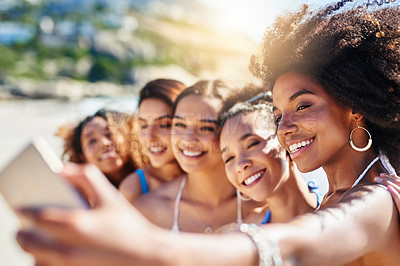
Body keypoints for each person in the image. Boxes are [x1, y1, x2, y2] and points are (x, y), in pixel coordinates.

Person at [16, 2, 400, 265]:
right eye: (279, 113)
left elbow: (297, 246)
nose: (285, 126)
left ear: (354, 106)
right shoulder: (341, 194)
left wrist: (153, 248)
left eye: (302, 106)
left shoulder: (376, 200)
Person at [134, 80, 267, 233]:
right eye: (180, 125)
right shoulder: (149, 210)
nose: (188, 140)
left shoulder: (263, 206)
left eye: (205, 128)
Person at [219, 89, 321, 224]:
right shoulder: (246, 232)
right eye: (229, 158)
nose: (240, 164)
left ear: (285, 139)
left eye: (253, 144)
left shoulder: (342, 208)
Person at [119, 79, 186, 204]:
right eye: (143, 126)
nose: (150, 138)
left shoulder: (209, 176)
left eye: (164, 125)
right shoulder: (134, 188)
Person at [56, 109, 144, 188]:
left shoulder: (152, 177)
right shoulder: (83, 198)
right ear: (82, 156)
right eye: (92, 141)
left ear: (128, 137)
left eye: (109, 134)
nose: (104, 143)